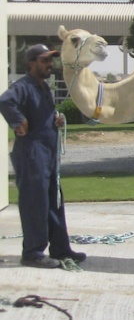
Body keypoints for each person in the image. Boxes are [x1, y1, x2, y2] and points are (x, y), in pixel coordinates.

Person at [0, 44, 85, 268]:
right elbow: (5, 101)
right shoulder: (23, 86)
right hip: (31, 155)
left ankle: (60, 249)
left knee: (54, 201)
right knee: (35, 204)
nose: (50, 64)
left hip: (48, 154)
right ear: (32, 63)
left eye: (51, 60)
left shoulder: (44, 88)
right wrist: (17, 121)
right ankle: (33, 253)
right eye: (45, 60)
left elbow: (40, 114)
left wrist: (56, 119)